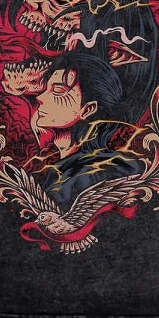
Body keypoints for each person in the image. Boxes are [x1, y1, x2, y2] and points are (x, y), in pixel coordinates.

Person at [33, 51, 146, 209]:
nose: (40, 98)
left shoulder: (96, 172)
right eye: (46, 89)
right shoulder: (60, 169)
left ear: (87, 109)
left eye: (57, 90)